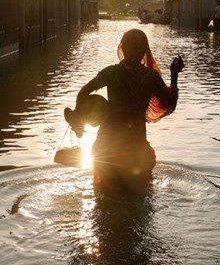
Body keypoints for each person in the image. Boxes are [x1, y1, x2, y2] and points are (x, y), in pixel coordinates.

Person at [64, 28, 184, 191]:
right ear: (143, 50)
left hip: (107, 147)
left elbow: (84, 91)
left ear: (123, 48)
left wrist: (78, 116)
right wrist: (174, 75)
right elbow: (169, 103)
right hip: (137, 148)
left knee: (104, 198)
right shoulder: (151, 77)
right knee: (139, 201)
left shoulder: (112, 72)